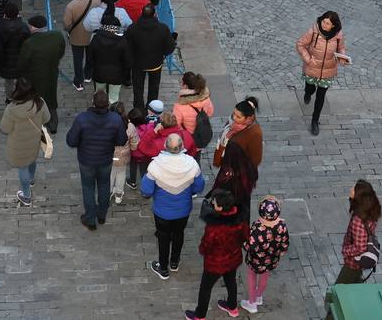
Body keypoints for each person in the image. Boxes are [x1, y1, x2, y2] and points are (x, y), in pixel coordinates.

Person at [142, 132, 206, 279]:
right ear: (182, 146)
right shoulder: (192, 164)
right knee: (179, 234)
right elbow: (198, 187)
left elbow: (146, 190)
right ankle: (174, 262)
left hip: (162, 211)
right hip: (183, 210)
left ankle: (163, 268)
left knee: (163, 238)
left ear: (165, 146)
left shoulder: (155, 165)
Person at [67, 89, 127, 230]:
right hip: (105, 160)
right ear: (107, 104)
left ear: (93, 102)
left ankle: (90, 219)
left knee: (88, 188)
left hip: (86, 161)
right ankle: (101, 215)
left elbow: (71, 141)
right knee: (104, 186)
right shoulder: (115, 119)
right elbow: (121, 140)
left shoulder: (82, 118)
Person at [186, 189, 249, 320]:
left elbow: (206, 245)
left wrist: (203, 251)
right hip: (233, 258)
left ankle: (200, 315)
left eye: (213, 203)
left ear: (220, 208)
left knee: (205, 288)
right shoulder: (240, 219)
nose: (212, 204)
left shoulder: (214, 227)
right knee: (231, 281)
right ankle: (232, 307)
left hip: (216, 263)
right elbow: (245, 236)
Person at [327, 180, 382, 313]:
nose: (351, 189)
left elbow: (360, 247)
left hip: (353, 264)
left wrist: (345, 250)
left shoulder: (358, 221)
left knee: (337, 293)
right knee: (354, 284)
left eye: (354, 189)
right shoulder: (371, 209)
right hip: (357, 266)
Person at [297, 11, 350, 135]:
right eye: (323, 22)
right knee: (310, 88)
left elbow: (341, 47)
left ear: (333, 25)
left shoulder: (338, 35)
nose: (324, 25)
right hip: (312, 68)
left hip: (328, 70)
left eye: (327, 23)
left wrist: (342, 56)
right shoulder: (314, 31)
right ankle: (308, 92)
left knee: (320, 97)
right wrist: (308, 59)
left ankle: (315, 121)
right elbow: (300, 44)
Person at [17, 14, 67, 133]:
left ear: (34, 28)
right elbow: (61, 52)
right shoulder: (57, 36)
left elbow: (22, 64)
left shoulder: (29, 43)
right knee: (50, 98)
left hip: (34, 76)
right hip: (51, 73)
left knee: (36, 99)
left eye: (30, 26)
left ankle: (37, 123)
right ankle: (53, 124)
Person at [0, 79, 46, 206]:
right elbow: (47, 118)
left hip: (18, 146)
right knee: (32, 160)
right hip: (34, 141)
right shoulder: (40, 102)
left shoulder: (11, 109)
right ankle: (31, 179)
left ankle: (26, 196)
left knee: (22, 167)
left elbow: (4, 129)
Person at [87, 12, 130, 103]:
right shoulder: (123, 40)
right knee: (114, 98)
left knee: (99, 95)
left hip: (99, 72)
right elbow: (127, 61)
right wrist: (125, 74)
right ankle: (113, 113)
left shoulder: (96, 38)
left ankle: (99, 111)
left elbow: (89, 58)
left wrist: (91, 70)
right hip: (117, 74)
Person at [214, 96, 262, 170]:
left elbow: (256, 159)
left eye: (238, 117)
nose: (234, 117)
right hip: (227, 165)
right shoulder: (231, 122)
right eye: (234, 114)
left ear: (248, 118)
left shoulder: (254, 133)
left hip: (240, 172)